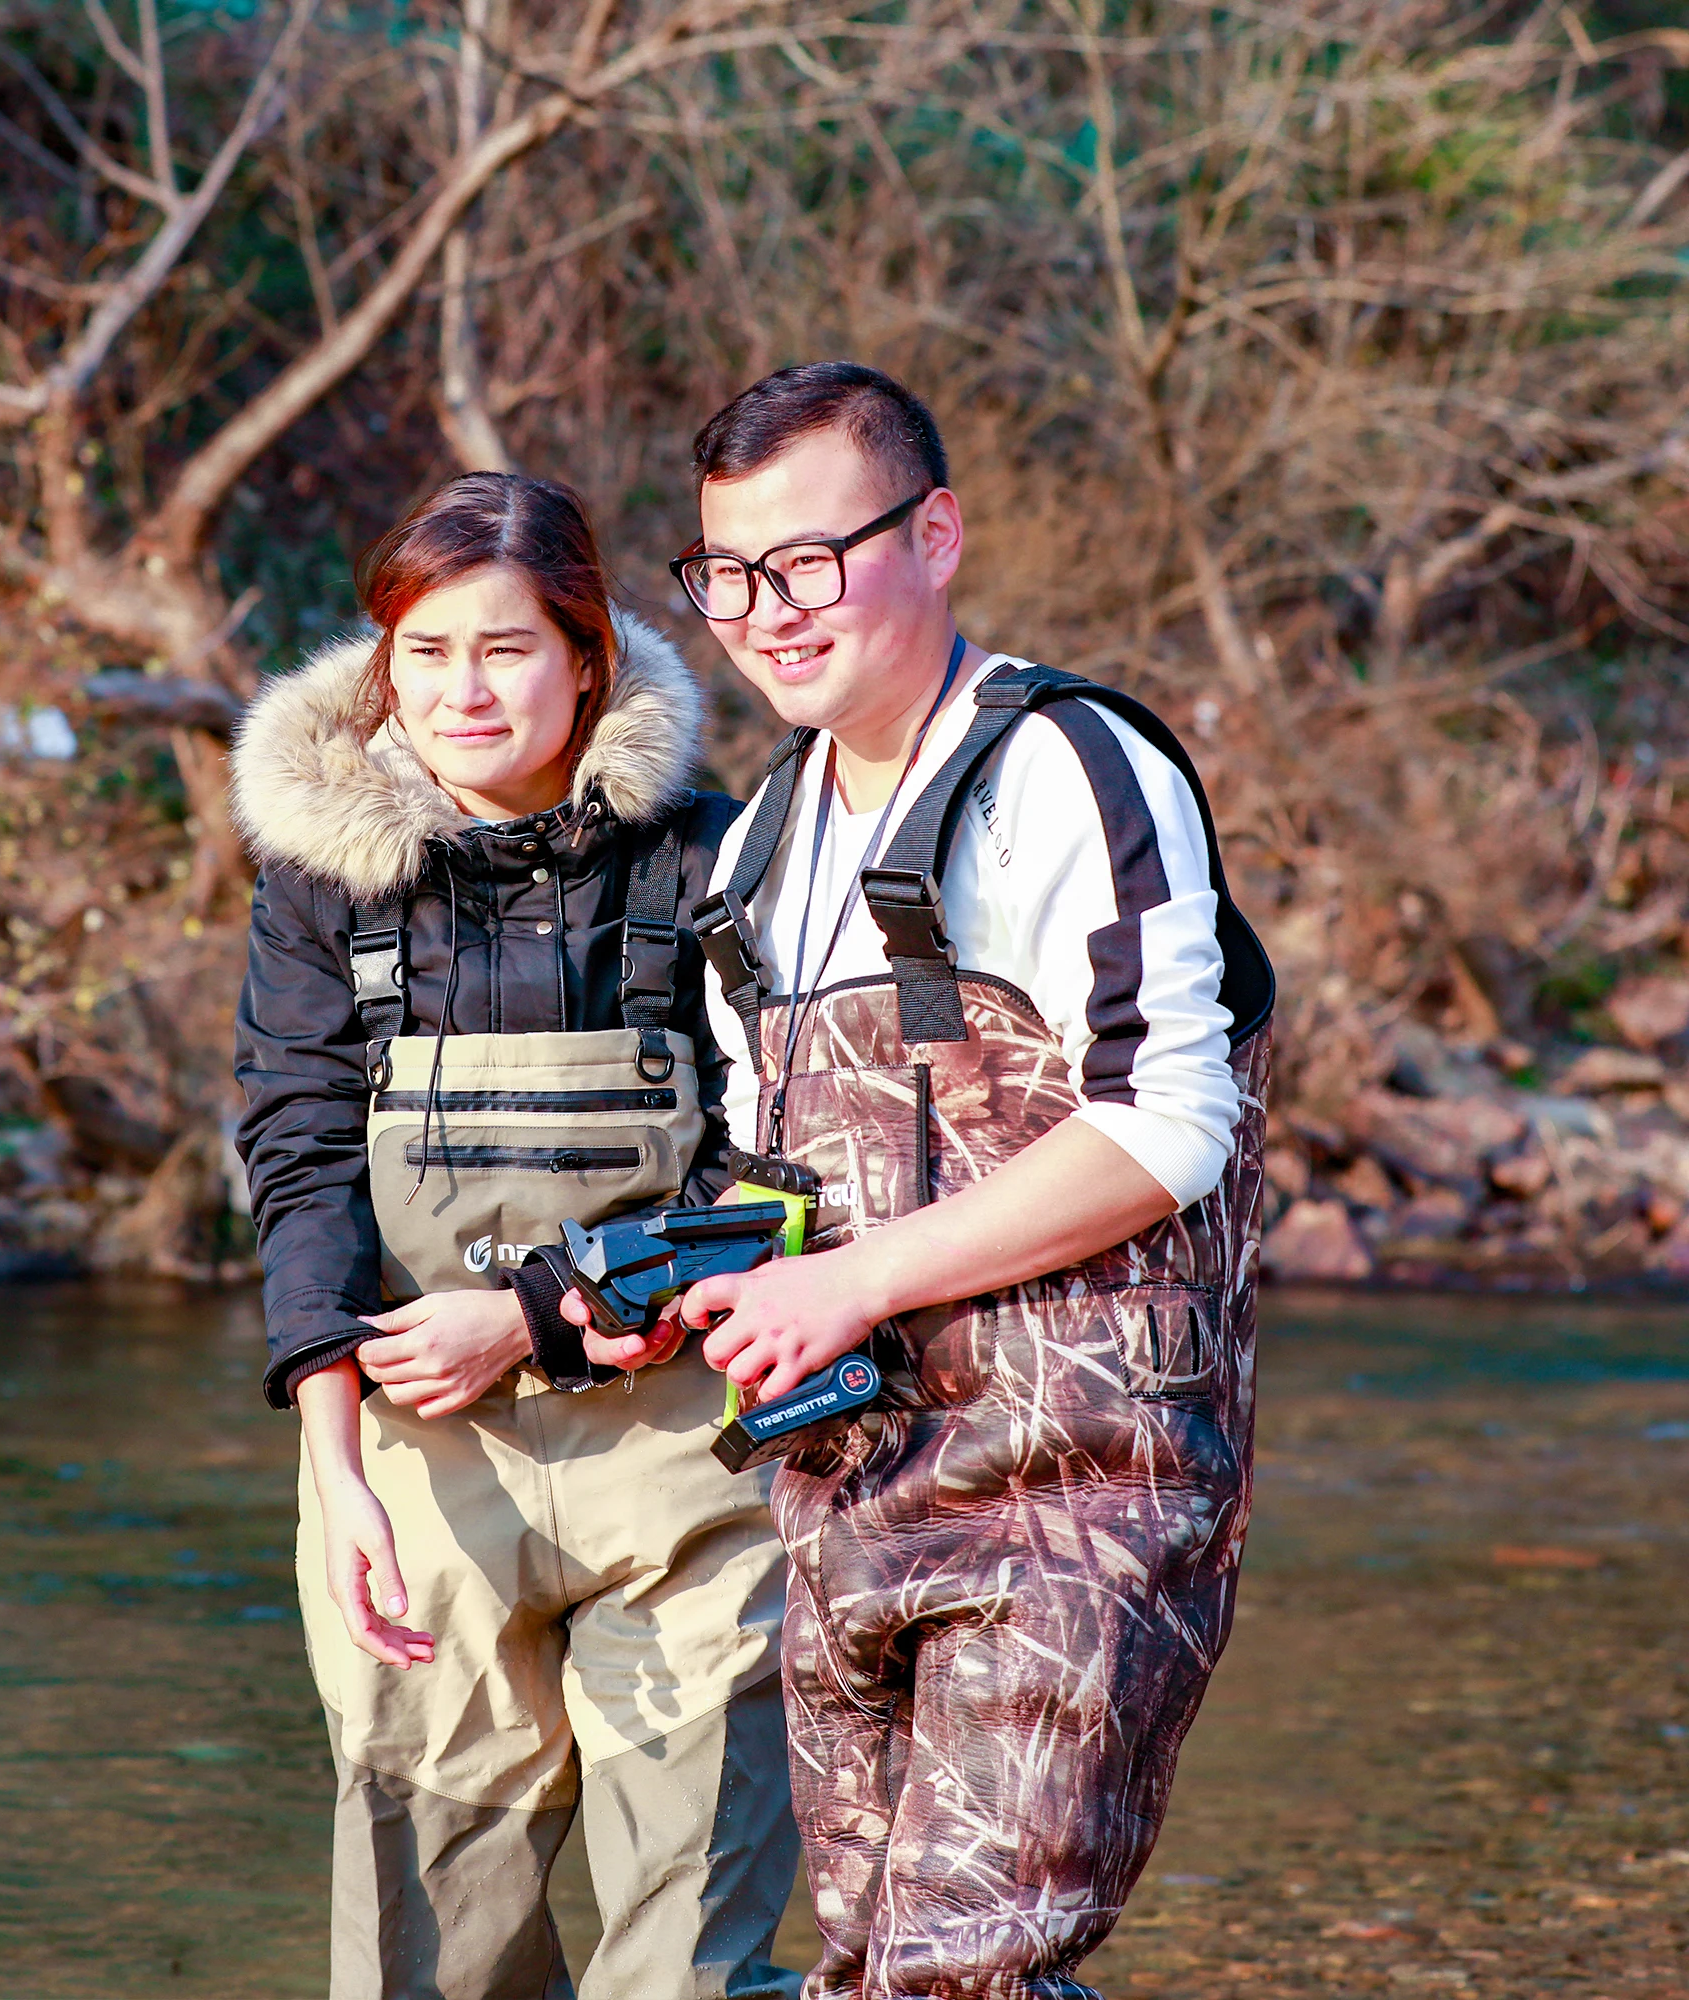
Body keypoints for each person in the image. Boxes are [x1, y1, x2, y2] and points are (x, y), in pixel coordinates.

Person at [573, 364, 1276, 2000]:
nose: (766, 613)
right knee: (872, 1970)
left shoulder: (1067, 772)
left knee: (959, 1977)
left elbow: (1171, 1124)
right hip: (853, 1495)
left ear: (935, 534)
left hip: (1080, 1501)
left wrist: (853, 1281)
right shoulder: (755, 847)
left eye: (811, 561)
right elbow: (781, 1187)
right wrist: (682, 1290)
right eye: (728, 573)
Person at [230, 472, 803, 2000]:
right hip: (417, 1485)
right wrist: (336, 1468)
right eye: (425, 654)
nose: (462, 692)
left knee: (686, 1959)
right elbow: (297, 1160)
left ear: (588, 657)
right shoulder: (315, 882)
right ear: (380, 666)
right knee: (434, 1960)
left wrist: (542, 1314)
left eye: (505, 650)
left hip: (691, 1465)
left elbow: (778, 1172)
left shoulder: (712, 857)